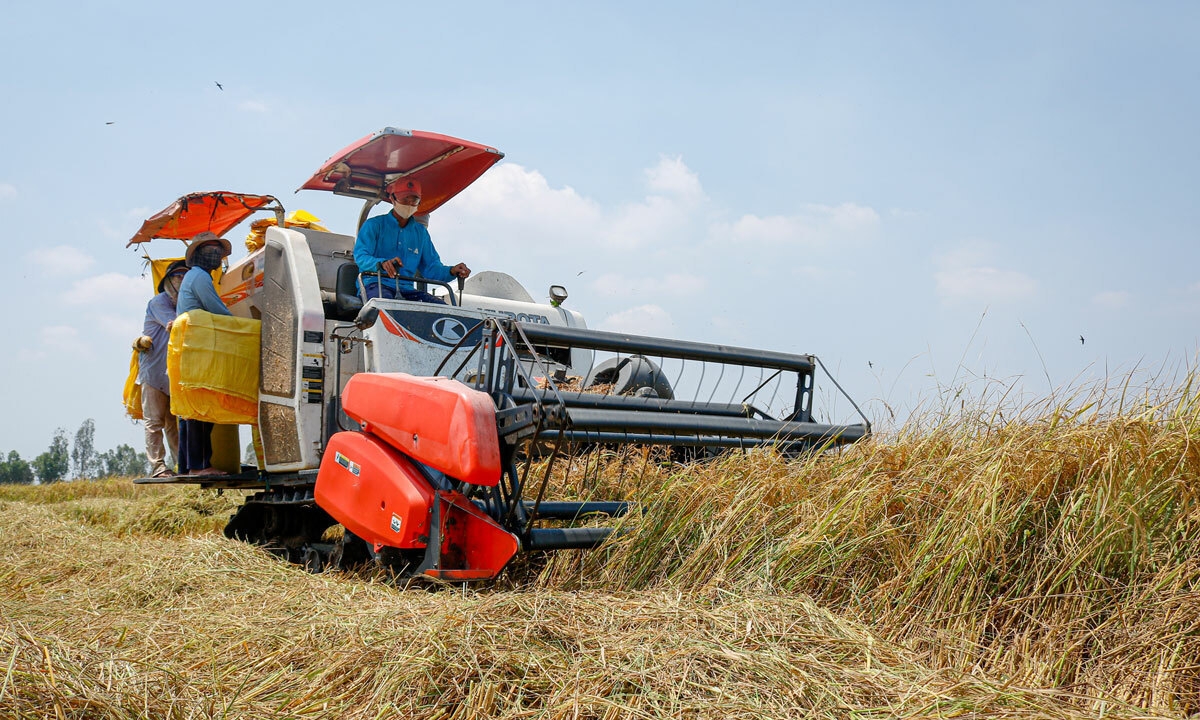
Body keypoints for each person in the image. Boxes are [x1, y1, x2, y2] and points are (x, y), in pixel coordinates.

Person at [353, 178, 470, 303]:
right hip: (375, 285)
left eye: (414, 200)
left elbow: (431, 268)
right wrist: (382, 264)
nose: (409, 204)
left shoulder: (421, 233)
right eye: (404, 199)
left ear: (419, 203)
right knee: (385, 305)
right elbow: (361, 256)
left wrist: (451, 271)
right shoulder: (374, 225)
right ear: (392, 199)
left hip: (406, 290)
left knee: (441, 308)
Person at [175, 231, 233, 477]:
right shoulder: (200, 277)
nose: (215, 254)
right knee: (201, 408)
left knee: (190, 409)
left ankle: (188, 466)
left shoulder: (194, 276)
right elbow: (217, 310)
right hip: (198, 348)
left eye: (217, 250)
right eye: (210, 249)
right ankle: (201, 466)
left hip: (191, 348)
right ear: (198, 254)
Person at [135, 260, 188, 477]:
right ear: (168, 281)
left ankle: (180, 465)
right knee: (154, 421)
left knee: (173, 424)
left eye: (186, 276)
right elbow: (176, 325)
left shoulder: (185, 305)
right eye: (178, 276)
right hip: (154, 373)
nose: (182, 280)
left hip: (173, 375)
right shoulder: (159, 302)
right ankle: (158, 467)